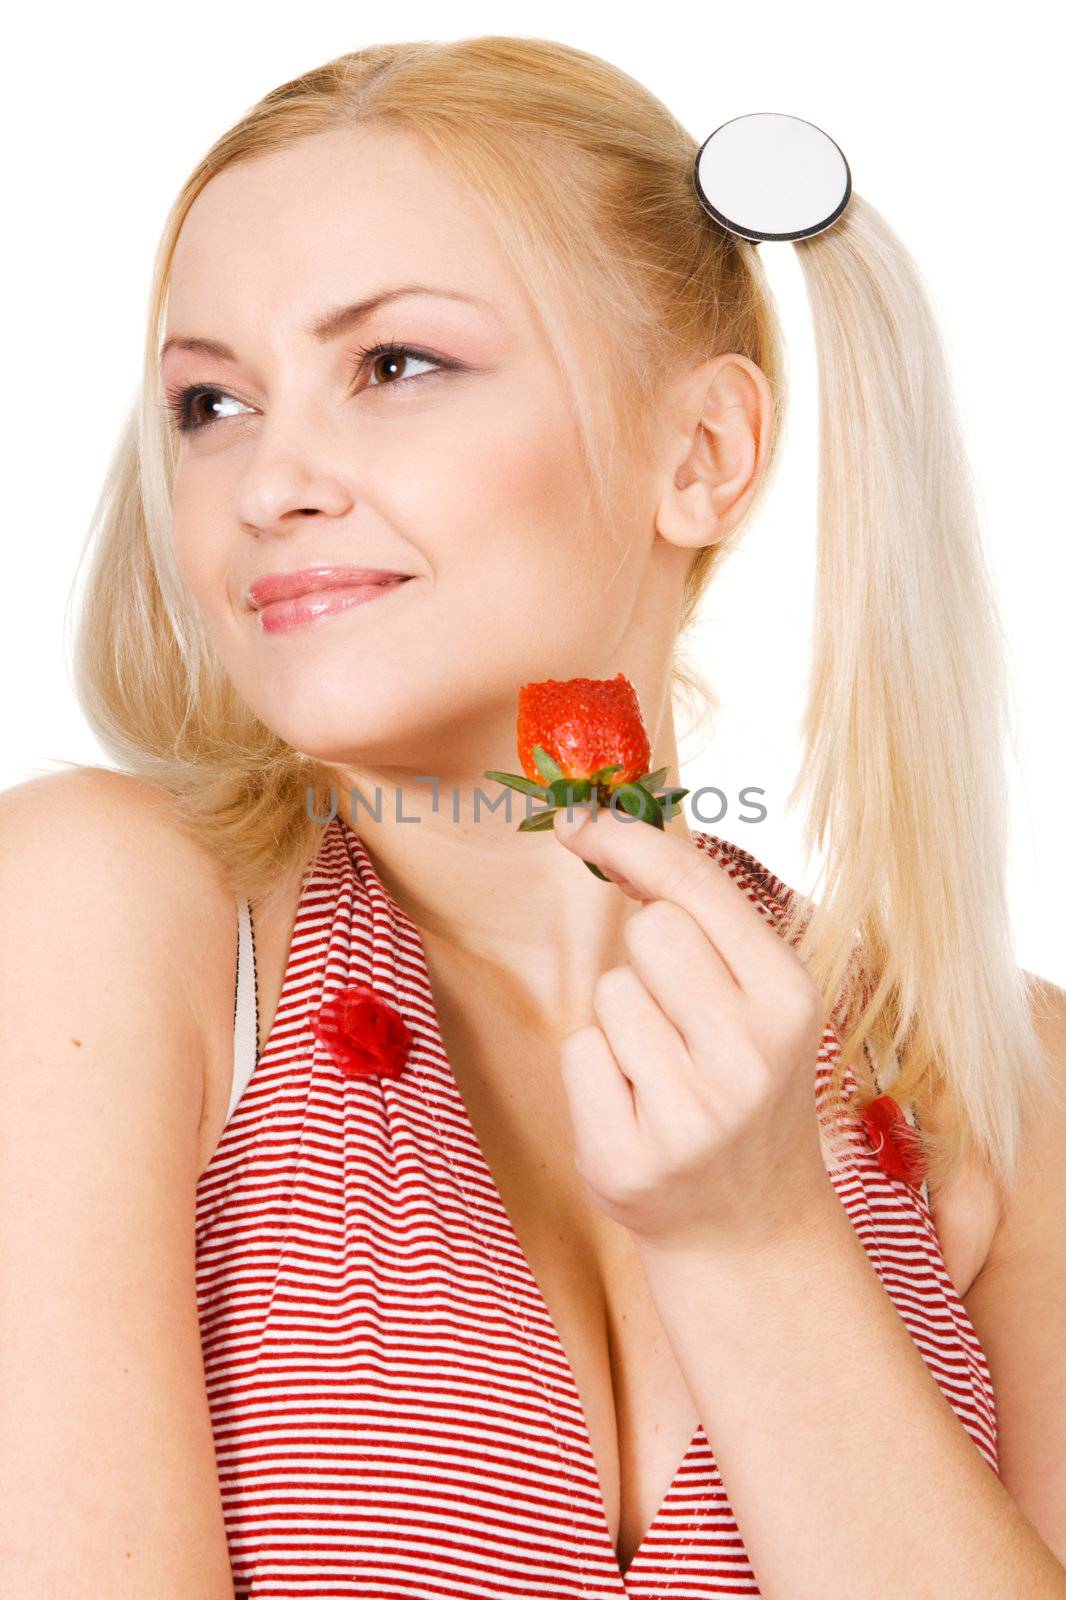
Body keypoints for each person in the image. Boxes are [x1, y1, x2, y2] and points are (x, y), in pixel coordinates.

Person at [2, 33, 1064, 1599]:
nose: (268, 479)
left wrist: (756, 1241)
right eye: (210, 402)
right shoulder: (97, 909)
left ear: (702, 454)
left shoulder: (989, 1075)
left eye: (396, 366)